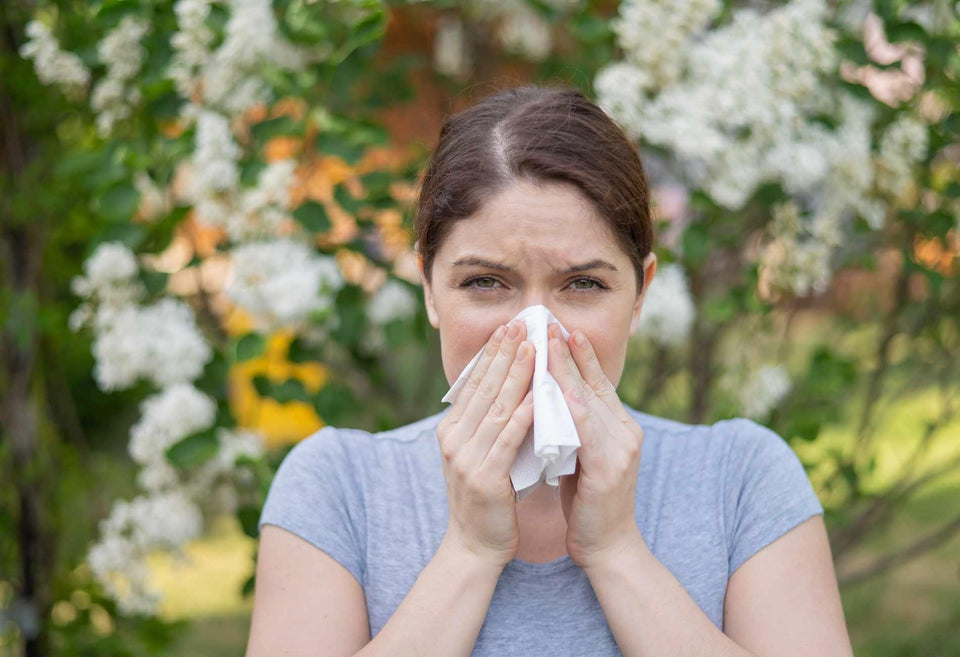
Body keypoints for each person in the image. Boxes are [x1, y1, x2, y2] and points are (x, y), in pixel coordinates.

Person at [245, 85, 854, 657]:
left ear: (639, 296)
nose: (536, 334)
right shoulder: (337, 489)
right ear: (430, 288)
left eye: (583, 284)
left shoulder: (741, 479)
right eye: (485, 282)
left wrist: (616, 549)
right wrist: (469, 551)